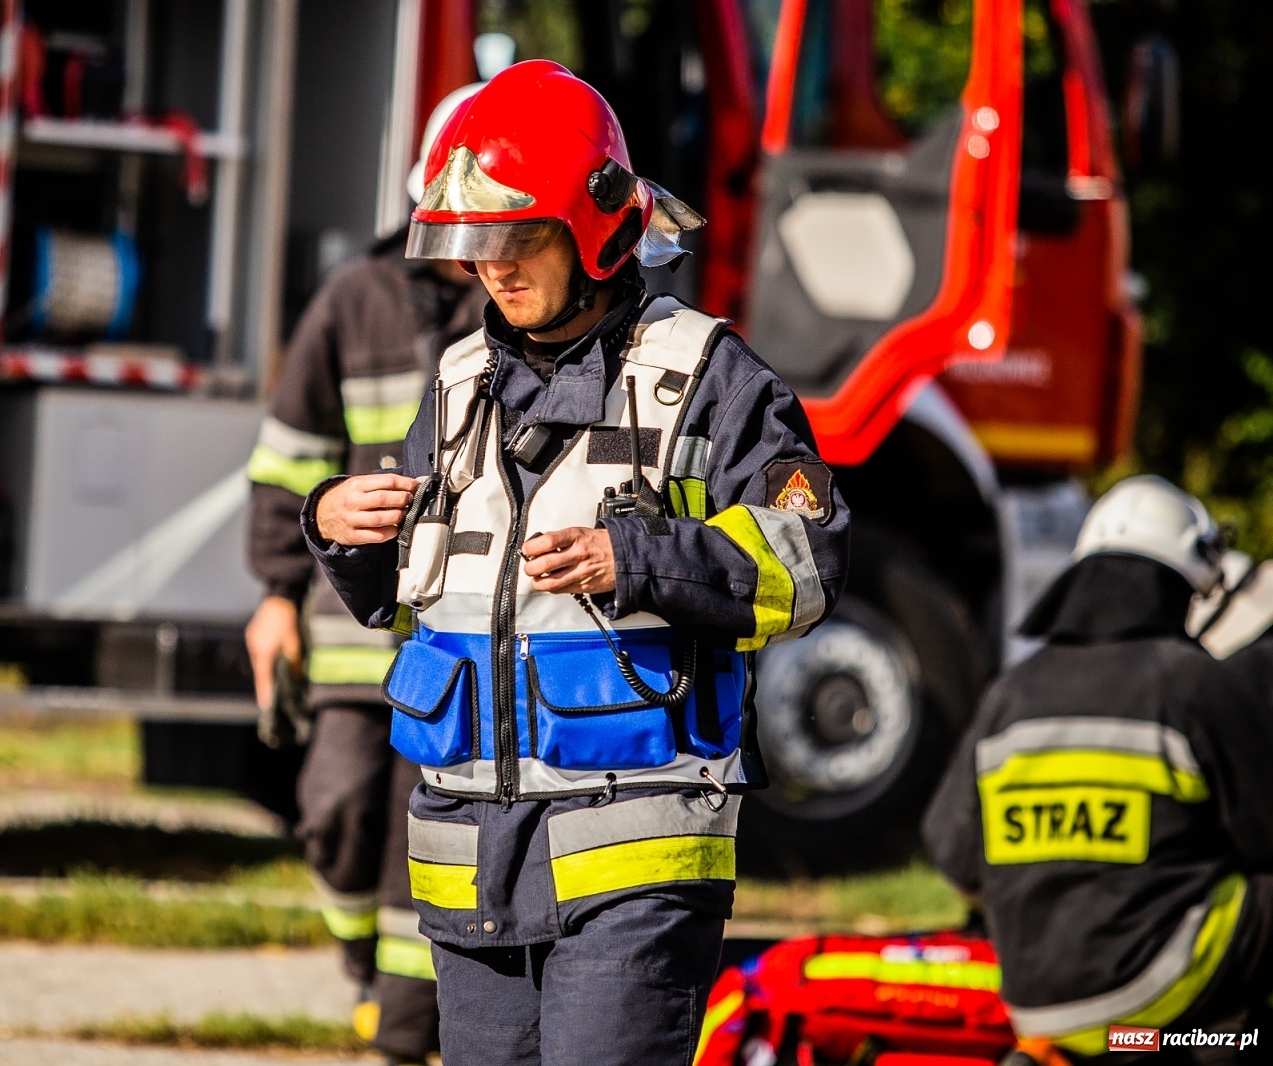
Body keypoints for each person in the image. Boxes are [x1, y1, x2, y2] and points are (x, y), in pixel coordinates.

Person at [302, 60, 849, 1065]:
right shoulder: (458, 380)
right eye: (474, 244)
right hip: (470, 870)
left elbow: (808, 559)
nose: (492, 268)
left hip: (633, 864)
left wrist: (635, 558)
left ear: (594, 228)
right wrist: (339, 524)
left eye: (516, 237)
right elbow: (410, 596)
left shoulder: (708, 378)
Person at [243, 85, 487, 1066]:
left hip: (460, 635)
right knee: (336, 808)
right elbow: (288, 460)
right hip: (351, 632)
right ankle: (363, 971)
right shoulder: (353, 298)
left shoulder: (518, 306)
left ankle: (402, 1031)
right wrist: (272, 594)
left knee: (421, 841)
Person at [923, 476, 1273, 1059]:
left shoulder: (1011, 694)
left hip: (1040, 1006)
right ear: (1177, 584)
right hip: (1157, 1003)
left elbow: (956, 861)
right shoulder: (1189, 683)